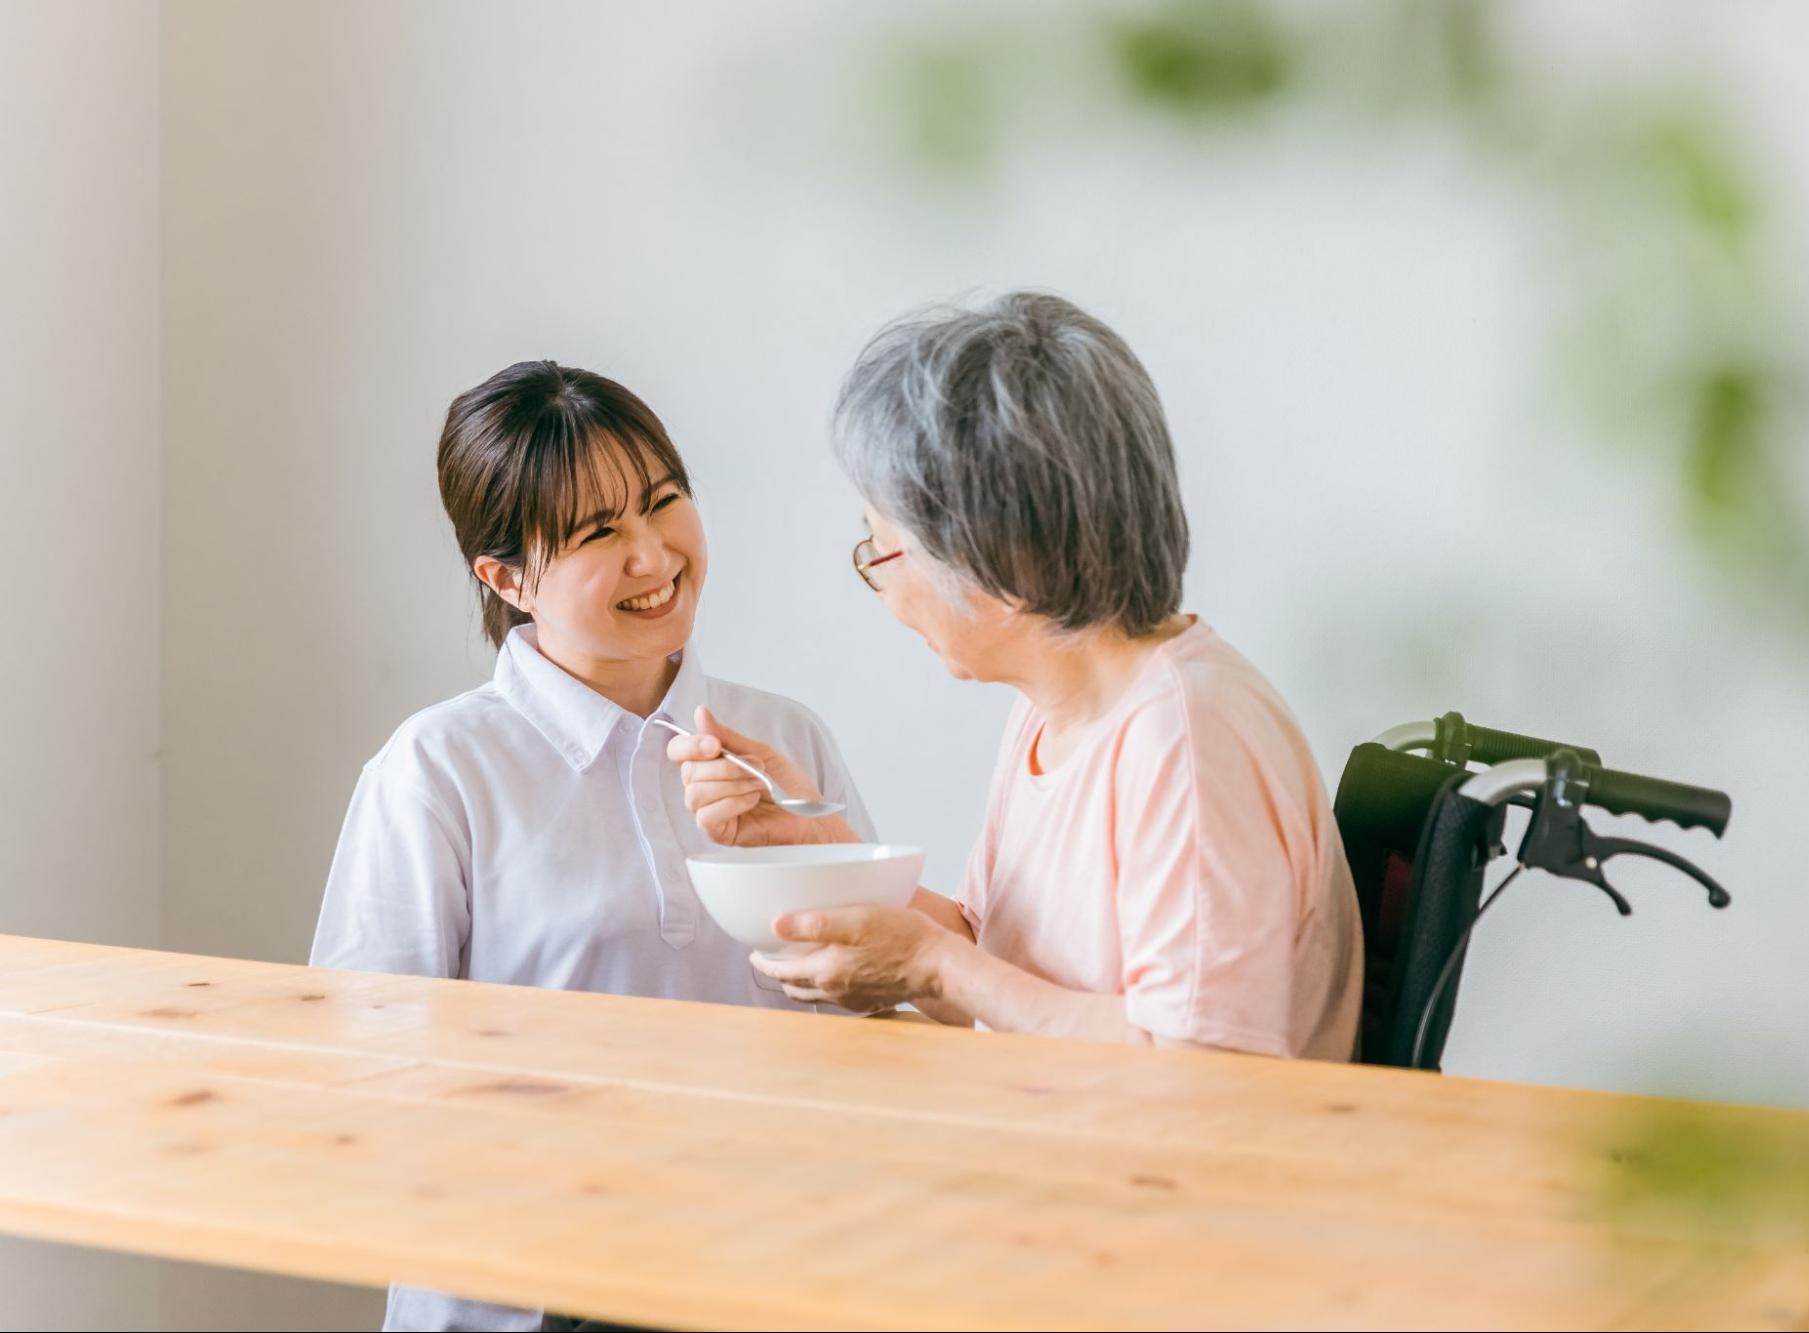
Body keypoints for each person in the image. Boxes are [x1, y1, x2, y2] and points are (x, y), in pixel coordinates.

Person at [312, 360, 870, 1331]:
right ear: (504, 576)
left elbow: (871, 1004)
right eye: (597, 533)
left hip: (764, 1275)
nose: (652, 557)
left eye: (662, 505)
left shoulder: (786, 738)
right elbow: (363, 1074)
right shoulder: (438, 771)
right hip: (519, 1298)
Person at [672, 294, 1361, 1059]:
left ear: (1004, 564)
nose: (885, 591)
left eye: (883, 552)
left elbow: (1202, 1063)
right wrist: (817, 842)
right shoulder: (1056, 709)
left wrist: (935, 967)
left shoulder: (1185, 737)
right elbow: (994, 955)